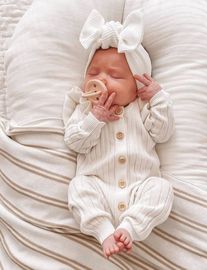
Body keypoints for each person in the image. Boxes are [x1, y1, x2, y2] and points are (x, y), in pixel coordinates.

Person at [63, 9, 175, 259]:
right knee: (78, 187)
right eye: (93, 74)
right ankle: (103, 232)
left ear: (136, 87)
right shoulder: (84, 108)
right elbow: (74, 142)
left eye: (114, 75)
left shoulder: (141, 108)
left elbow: (163, 133)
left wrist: (158, 98)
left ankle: (128, 228)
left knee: (162, 189)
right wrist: (95, 119)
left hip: (139, 186)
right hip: (98, 186)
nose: (102, 79)